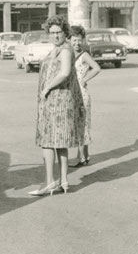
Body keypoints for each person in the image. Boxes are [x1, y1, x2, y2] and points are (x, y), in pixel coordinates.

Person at [30, 15, 85, 196]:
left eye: (58, 32)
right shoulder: (58, 49)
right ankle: (63, 181)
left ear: (65, 32)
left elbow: (64, 73)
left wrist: (46, 88)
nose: (55, 36)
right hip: (57, 101)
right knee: (60, 142)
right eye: (52, 32)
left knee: (47, 141)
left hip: (58, 101)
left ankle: (49, 182)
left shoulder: (65, 50)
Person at [69, 26, 101, 167]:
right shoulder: (69, 53)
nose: (77, 43)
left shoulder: (83, 55)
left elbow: (97, 68)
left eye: (79, 40)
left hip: (81, 93)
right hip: (75, 92)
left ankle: (80, 158)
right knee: (82, 124)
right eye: (74, 40)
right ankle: (85, 156)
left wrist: (84, 79)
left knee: (81, 125)